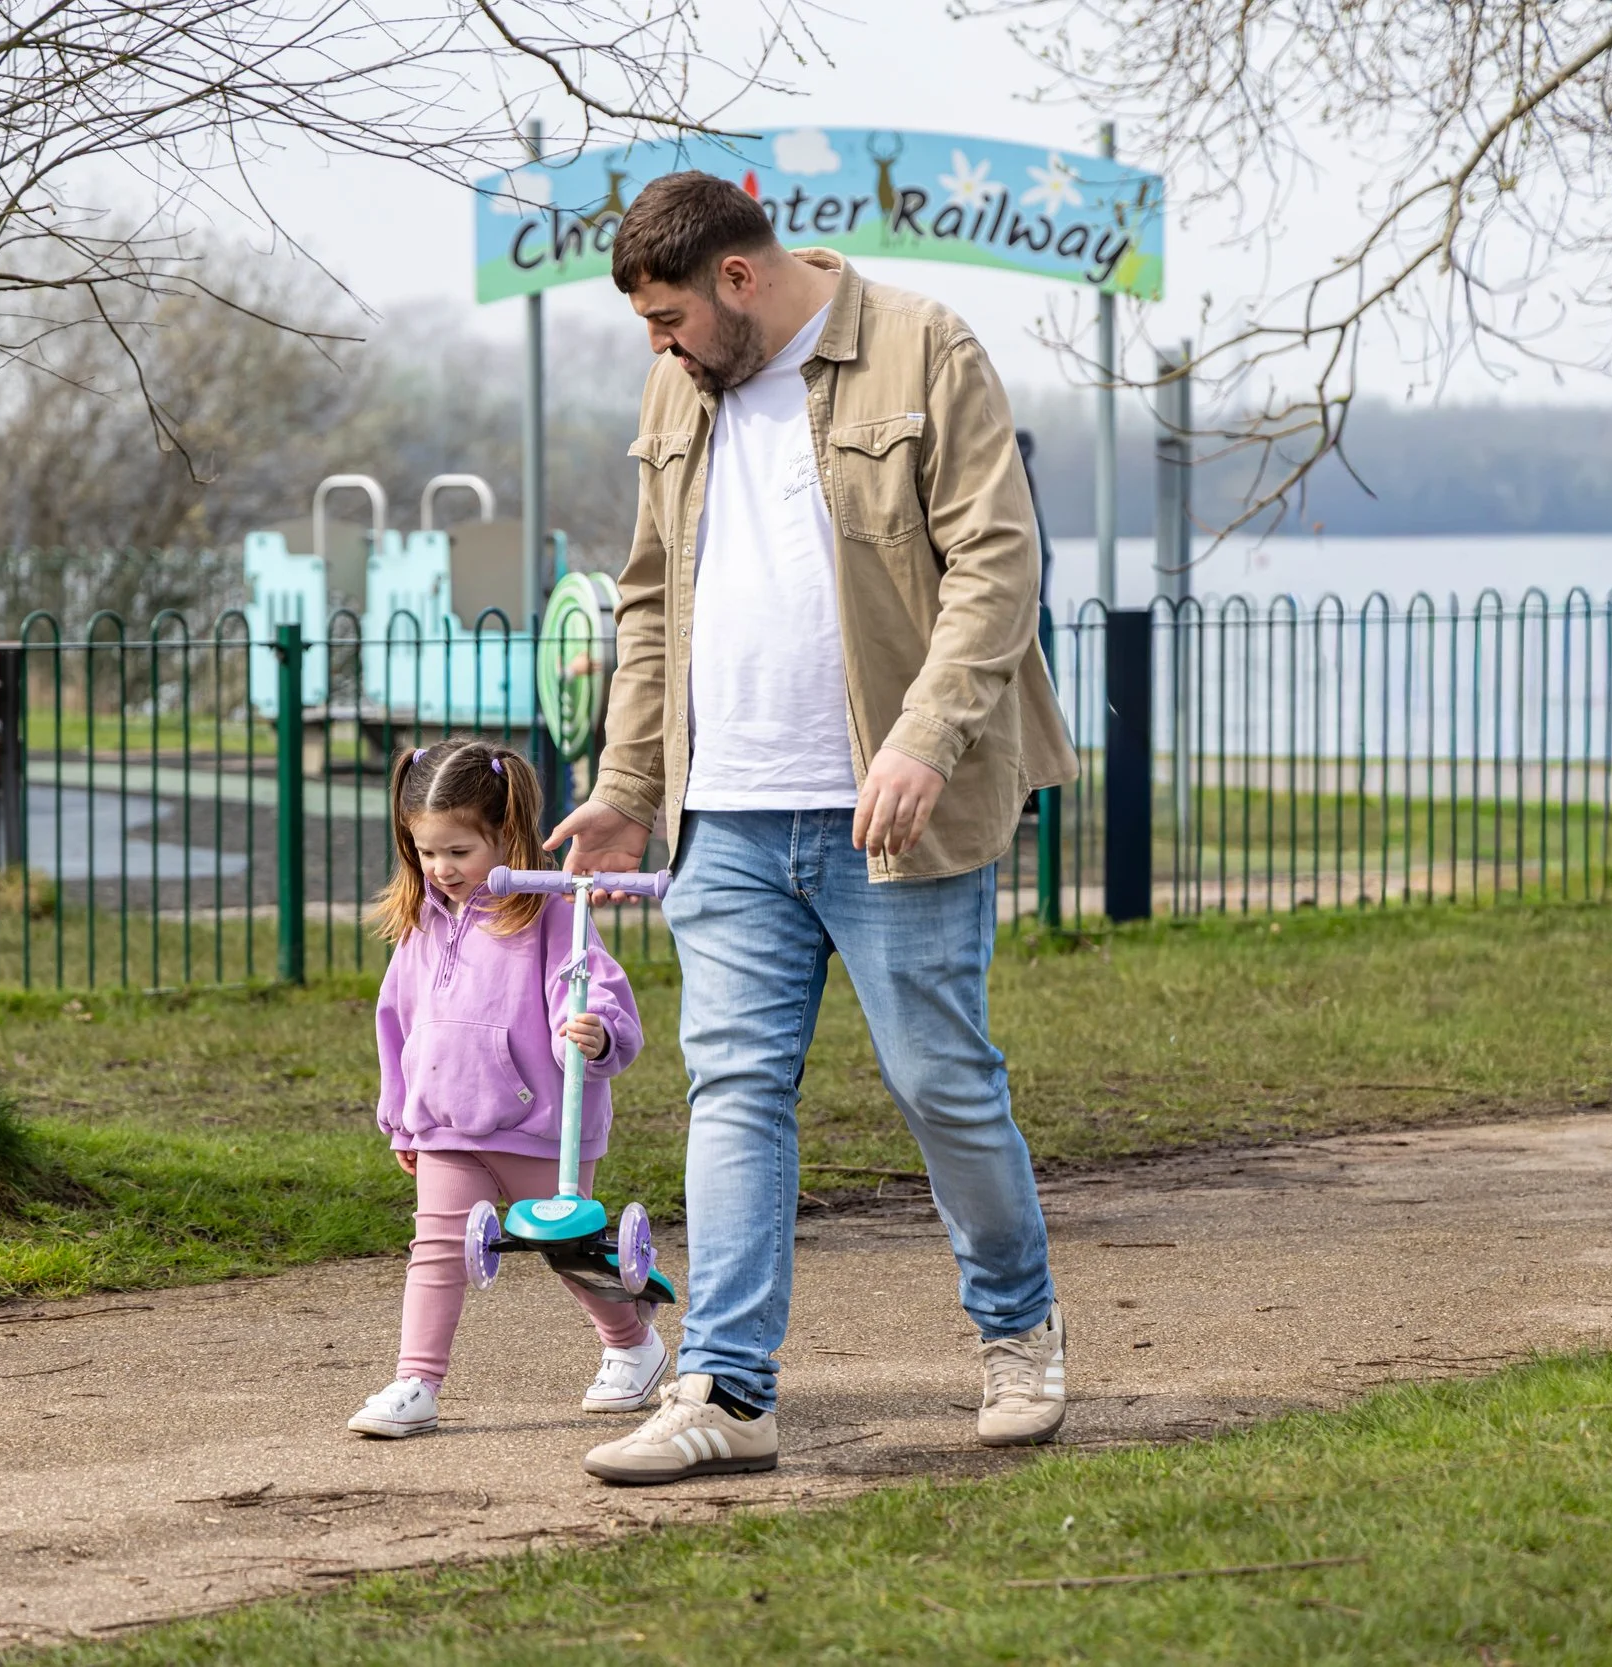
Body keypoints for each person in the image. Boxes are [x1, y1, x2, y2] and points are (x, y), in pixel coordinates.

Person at [546, 171, 1081, 1485]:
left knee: (940, 1082)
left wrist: (921, 736)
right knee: (733, 1088)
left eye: (669, 317)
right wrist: (626, 785)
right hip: (723, 812)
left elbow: (999, 567)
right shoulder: (684, 385)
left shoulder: (923, 346)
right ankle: (728, 1389)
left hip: (891, 804)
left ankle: (1019, 1329)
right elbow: (653, 598)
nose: (658, 348)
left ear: (741, 278)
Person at [347, 737, 667, 1439]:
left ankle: (631, 1343)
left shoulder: (549, 912)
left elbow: (590, 991)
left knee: (568, 1247)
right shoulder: (422, 921)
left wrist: (595, 1034)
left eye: (459, 851)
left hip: (540, 1123)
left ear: (506, 834)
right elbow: (398, 1022)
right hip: (447, 1125)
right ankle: (417, 1380)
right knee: (434, 1248)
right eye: (427, 851)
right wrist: (403, 1116)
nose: (442, 868)